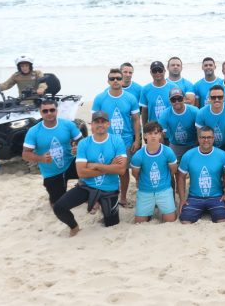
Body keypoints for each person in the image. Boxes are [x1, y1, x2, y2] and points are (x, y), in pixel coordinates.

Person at [53, 111, 127, 237]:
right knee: (59, 207)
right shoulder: (84, 143)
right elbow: (81, 172)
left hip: (109, 188)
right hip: (86, 186)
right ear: (91, 124)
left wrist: (96, 165)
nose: (100, 124)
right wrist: (109, 166)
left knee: (112, 224)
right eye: (96, 122)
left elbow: (121, 170)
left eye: (103, 121)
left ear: (108, 124)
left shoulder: (117, 141)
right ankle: (74, 227)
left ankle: (102, 209)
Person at [92, 68, 142, 207]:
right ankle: (100, 197)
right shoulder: (100, 98)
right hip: (105, 140)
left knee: (123, 170)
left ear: (122, 80)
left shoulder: (130, 98)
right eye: (112, 78)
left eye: (118, 78)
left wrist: (137, 140)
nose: (115, 81)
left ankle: (123, 198)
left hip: (125, 141)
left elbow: (136, 120)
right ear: (108, 80)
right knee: (103, 169)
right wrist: (95, 140)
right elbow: (94, 122)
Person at [22, 99, 83, 206]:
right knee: (58, 205)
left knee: (94, 169)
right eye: (45, 111)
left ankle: (83, 187)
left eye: (52, 110)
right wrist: (41, 158)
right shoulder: (33, 131)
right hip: (52, 172)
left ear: (56, 111)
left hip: (70, 164)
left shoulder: (68, 125)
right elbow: (25, 154)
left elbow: (82, 140)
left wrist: (78, 147)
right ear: (40, 112)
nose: (49, 113)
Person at [177, 126, 225, 224]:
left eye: (209, 137)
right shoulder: (188, 155)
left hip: (216, 196)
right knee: (185, 220)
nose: (206, 140)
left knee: (223, 219)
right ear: (198, 139)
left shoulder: (222, 155)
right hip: (194, 197)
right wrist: (182, 199)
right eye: (203, 137)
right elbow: (181, 177)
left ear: (213, 138)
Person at [130, 122, 178, 223]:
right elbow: (135, 174)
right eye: (150, 133)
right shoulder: (138, 155)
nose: (153, 136)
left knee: (170, 220)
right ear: (145, 135)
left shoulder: (168, 151)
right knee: (139, 222)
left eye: (156, 133)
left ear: (160, 135)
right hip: (145, 191)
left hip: (164, 190)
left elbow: (173, 170)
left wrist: (164, 181)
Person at [195, 85, 225, 154]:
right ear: (209, 98)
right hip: (208, 143)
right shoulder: (201, 112)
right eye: (213, 97)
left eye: (220, 97)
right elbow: (200, 134)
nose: (217, 99)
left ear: (224, 97)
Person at [158, 87, 199, 160]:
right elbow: (160, 135)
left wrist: (197, 144)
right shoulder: (164, 114)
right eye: (173, 100)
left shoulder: (194, 111)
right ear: (170, 101)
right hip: (175, 145)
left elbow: (201, 130)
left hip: (193, 143)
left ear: (184, 99)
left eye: (179, 99)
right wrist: (164, 152)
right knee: (172, 164)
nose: (177, 101)